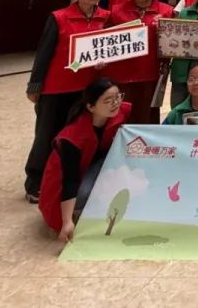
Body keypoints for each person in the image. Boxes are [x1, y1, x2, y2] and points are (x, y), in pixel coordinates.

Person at [24, 0, 110, 203]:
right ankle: (35, 182)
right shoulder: (59, 17)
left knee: (78, 136)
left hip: (88, 89)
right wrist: (35, 84)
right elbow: (44, 52)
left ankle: (68, 181)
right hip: (56, 88)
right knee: (47, 135)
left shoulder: (106, 17)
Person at [38, 78, 131, 242]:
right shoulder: (73, 137)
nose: (116, 103)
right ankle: (79, 214)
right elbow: (70, 180)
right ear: (90, 107)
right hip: (68, 177)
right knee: (83, 195)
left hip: (97, 164)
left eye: (118, 96)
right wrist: (67, 221)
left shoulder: (120, 112)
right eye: (108, 100)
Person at [106, 0, 175, 124]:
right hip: (121, 72)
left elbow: (175, 42)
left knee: (147, 115)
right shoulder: (115, 11)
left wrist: (163, 33)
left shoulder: (167, 11)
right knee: (119, 115)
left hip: (151, 72)